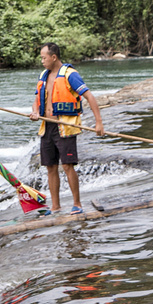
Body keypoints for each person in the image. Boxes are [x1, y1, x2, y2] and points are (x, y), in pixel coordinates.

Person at [29, 42, 105, 216]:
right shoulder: (43, 75)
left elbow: (89, 96)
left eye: (44, 57)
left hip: (65, 127)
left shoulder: (70, 74)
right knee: (50, 166)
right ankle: (55, 206)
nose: (42, 61)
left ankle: (77, 204)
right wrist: (34, 111)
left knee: (68, 165)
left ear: (53, 57)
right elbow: (36, 99)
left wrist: (98, 122)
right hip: (46, 126)